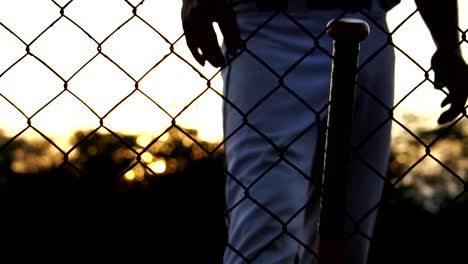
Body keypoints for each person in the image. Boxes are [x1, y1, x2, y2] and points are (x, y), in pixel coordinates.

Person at [180, 0, 467, 263]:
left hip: (366, 20)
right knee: (264, 235)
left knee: (349, 243)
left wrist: (449, 45)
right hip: (270, 24)